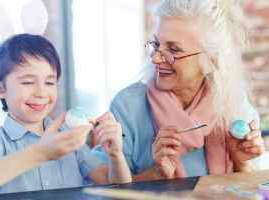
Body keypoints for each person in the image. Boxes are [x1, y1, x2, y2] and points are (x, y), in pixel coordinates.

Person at [107, 0, 265, 181]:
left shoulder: (235, 106)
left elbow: (255, 191)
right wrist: (157, 173)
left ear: (211, 59)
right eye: (156, 45)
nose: (156, 59)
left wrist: (241, 163)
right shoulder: (127, 107)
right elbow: (111, 191)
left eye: (173, 50)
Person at [0, 34, 131, 194]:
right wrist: (41, 153)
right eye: (28, 82)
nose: (41, 92)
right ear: (0, 89)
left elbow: (115, 187)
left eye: (49, 82)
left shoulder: (68, 138)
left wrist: (116, 155)